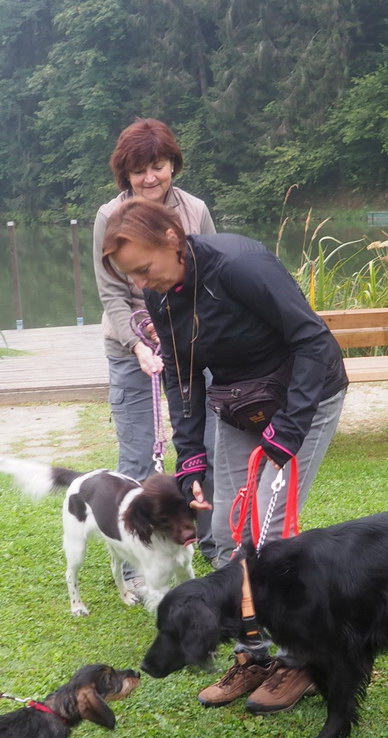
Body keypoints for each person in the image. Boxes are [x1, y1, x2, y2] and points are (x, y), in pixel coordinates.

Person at [102, 197, 348, 714]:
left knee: (270, 539)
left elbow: (313, 340)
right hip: (240, 402)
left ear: (172, 239)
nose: (143, 284)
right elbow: (181, 373)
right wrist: (191, 454)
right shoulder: (162, 295)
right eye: (133, 277)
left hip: (304, 395)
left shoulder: (239, 266)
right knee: (228, 533)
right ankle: (253, 654)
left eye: (144, 269)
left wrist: (290, 428)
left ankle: (302, 660)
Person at [92, 118, 218, 574]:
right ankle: (134, 558)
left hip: (192, 350)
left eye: (158, 166)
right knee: (138, 457)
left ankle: (211, 545)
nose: (150, 178)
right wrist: (139, 344)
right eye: (139, 170)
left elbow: (211, 276)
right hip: (132, 350)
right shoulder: (108, 217)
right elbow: (112, 293)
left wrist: (190, 337)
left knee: (205, 451)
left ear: (173, 165)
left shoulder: (195, 210)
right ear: (124, 173)